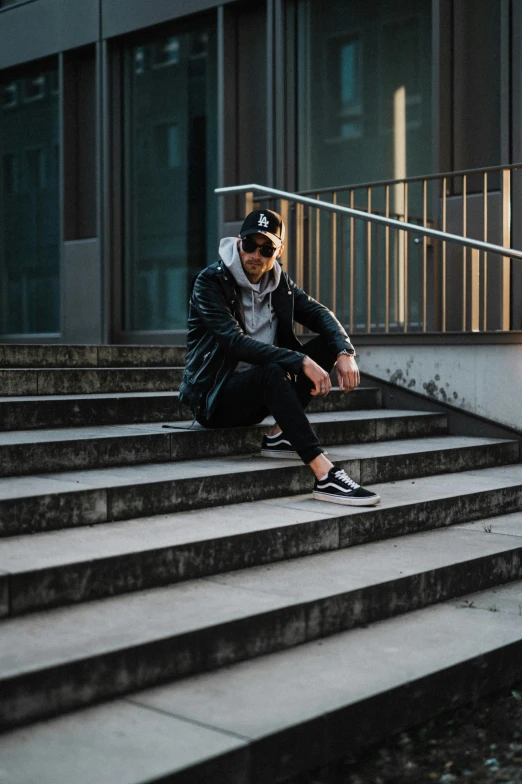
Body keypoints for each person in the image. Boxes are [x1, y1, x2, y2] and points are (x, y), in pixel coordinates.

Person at [179, 208, 380, 506]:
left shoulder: (280, 285)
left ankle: (279, 435)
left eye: (266, 248)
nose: (255, 255)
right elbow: (234, 343)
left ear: (278, 251)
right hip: (215, 399)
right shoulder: (210, 282)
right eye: (250, 244)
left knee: (325, 345)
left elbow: (320, 313)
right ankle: (325, 475)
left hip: (258, 395)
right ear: (238, 242)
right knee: (273, 371)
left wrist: (344, 351)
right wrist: (299, 361)